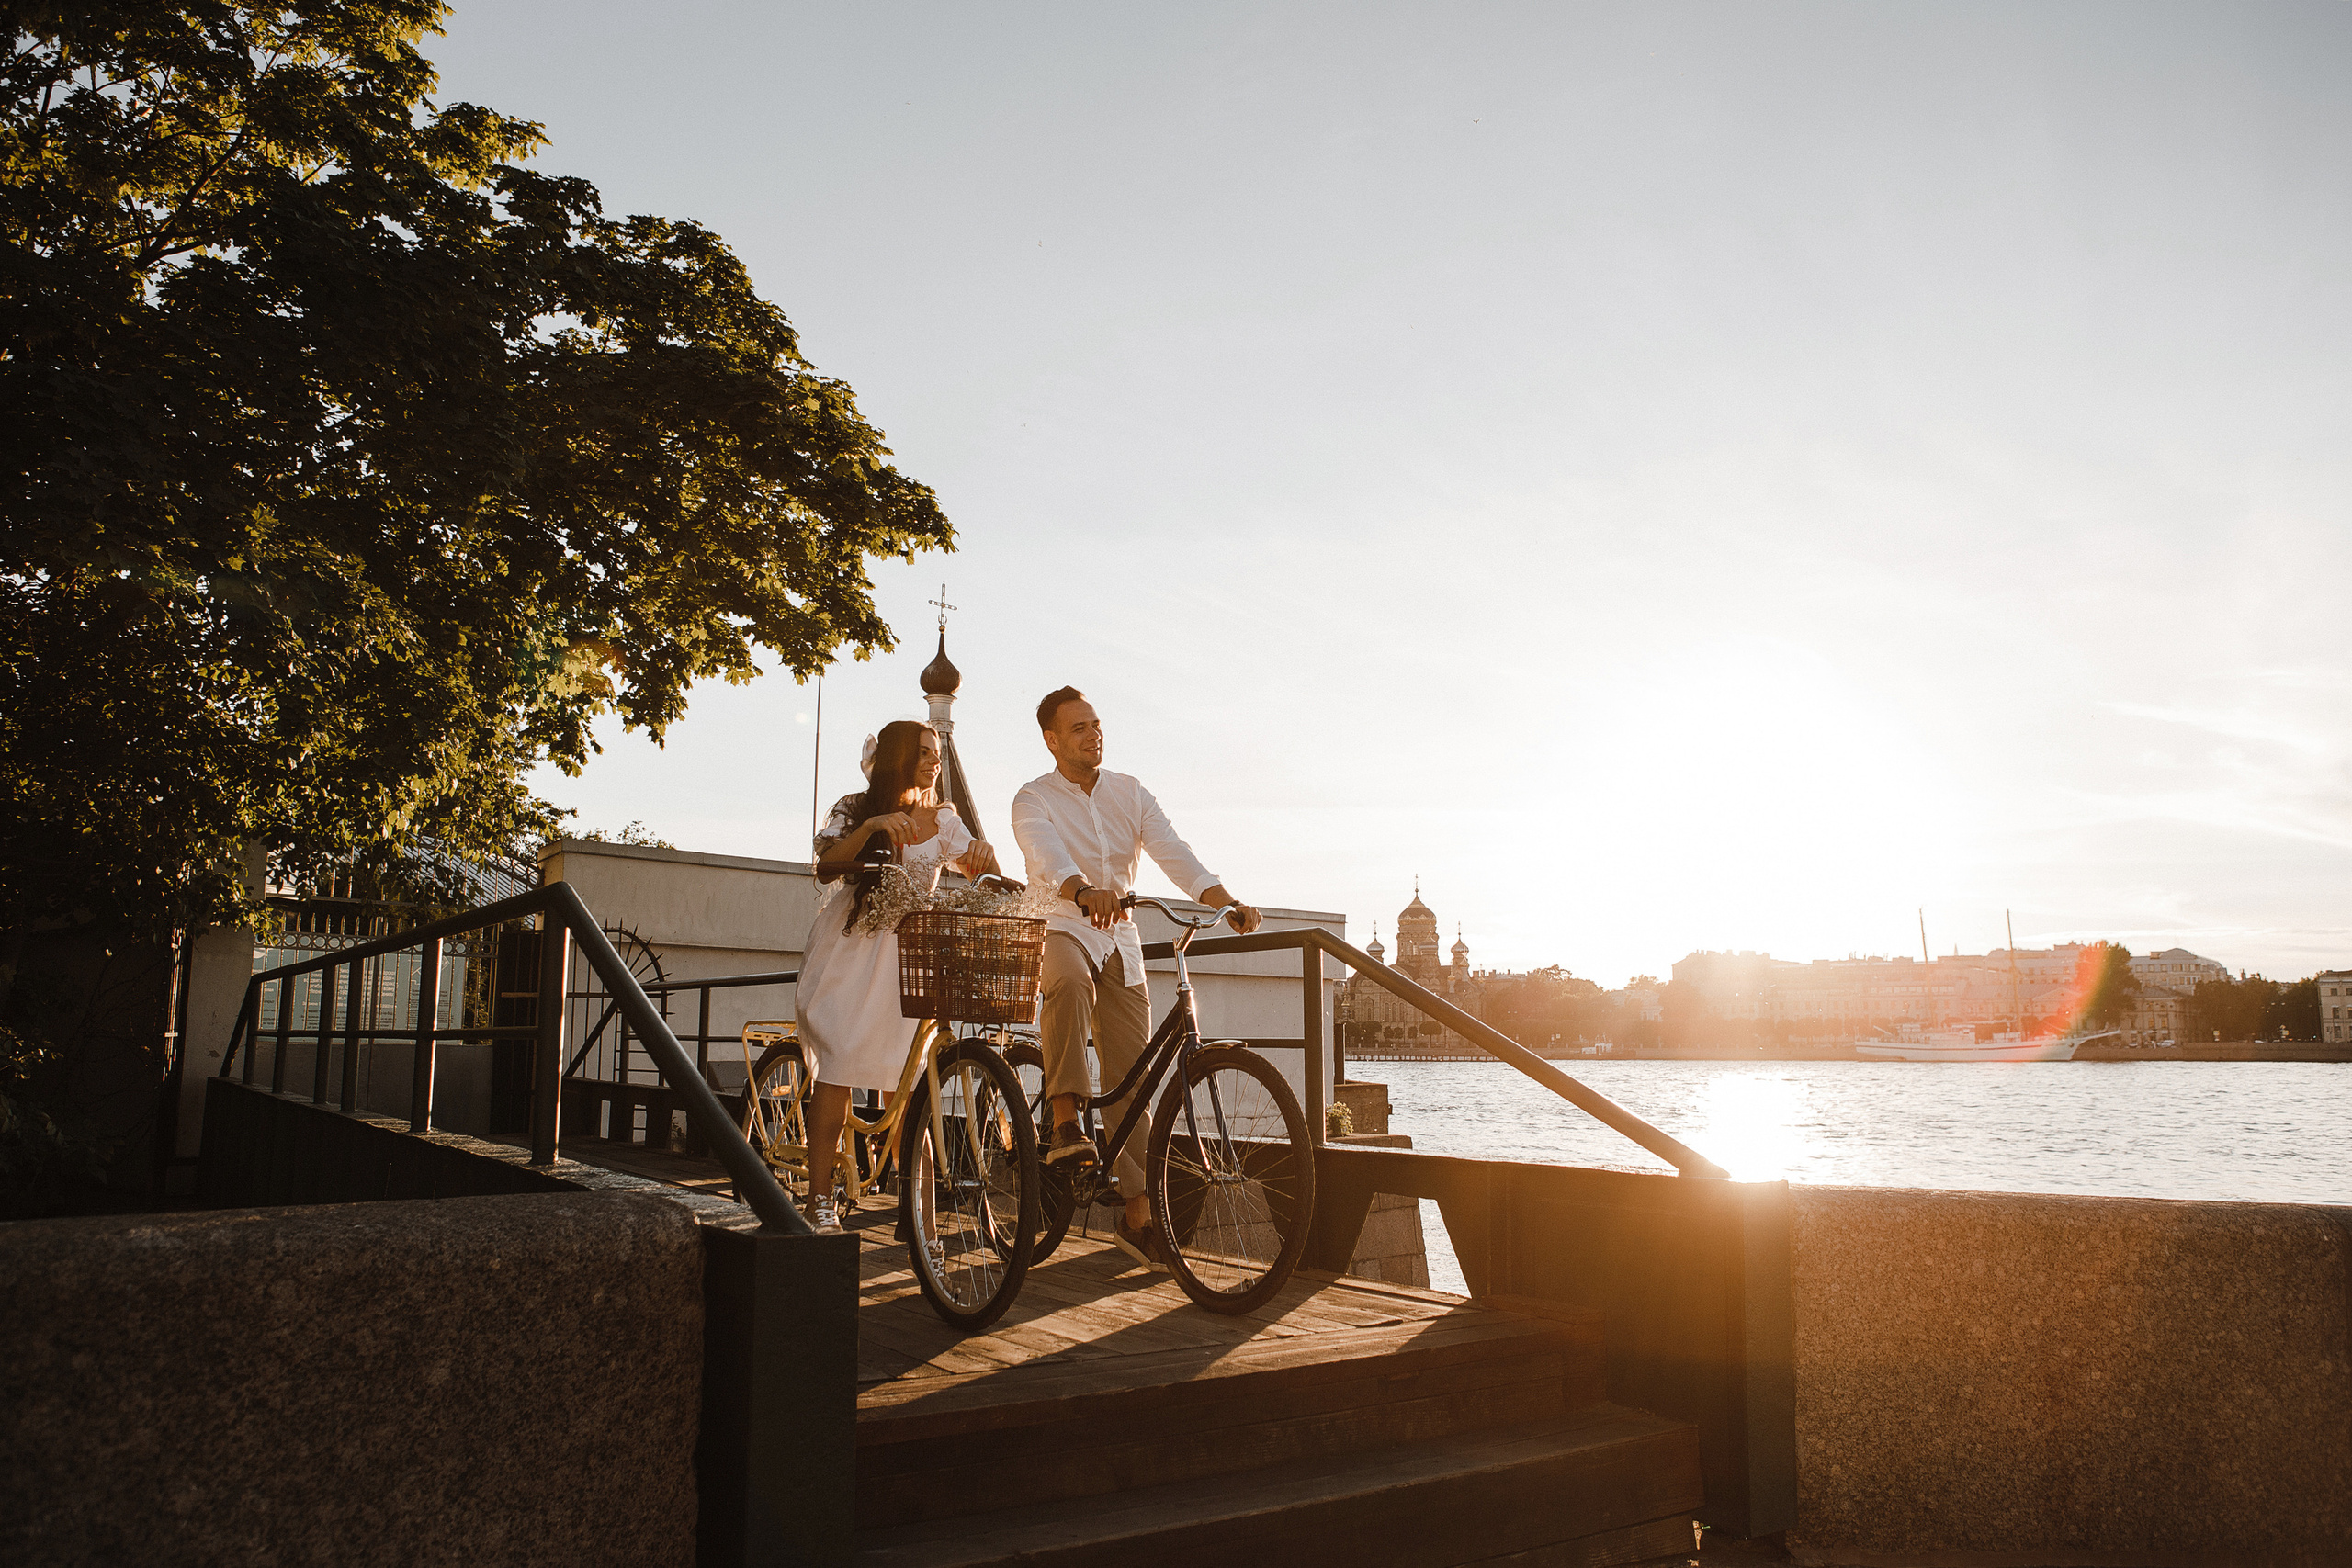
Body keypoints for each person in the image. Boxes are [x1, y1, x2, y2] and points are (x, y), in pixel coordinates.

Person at [1010, 686, 1261, 1270]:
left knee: (1133, 1078)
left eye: (1096, 724)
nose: (1093, 735)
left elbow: (1173, 849)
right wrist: (1081, 890)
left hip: (1118, 937)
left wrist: (1224, 900)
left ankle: (1137, 1217)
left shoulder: (1130, 791)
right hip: (1061, 923)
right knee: (1068, 984)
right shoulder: (1033, 797)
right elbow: (1044, 855)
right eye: (1079, 728)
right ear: (1052, 739)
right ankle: (1064, 1120)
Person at [795, 718, 1000, 1233]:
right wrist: (871, 828)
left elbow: (979, 871)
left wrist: (984, 857)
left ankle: (920, 1215)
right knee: (838, 1065)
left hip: (910, 954)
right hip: (854, 948)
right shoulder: (857, 808)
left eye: (936, 752)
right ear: (899, 758)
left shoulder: (943, 818)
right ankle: (818, 1197)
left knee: (905, 1082)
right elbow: (826, 865)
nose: (935, 760)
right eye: (924, 752)